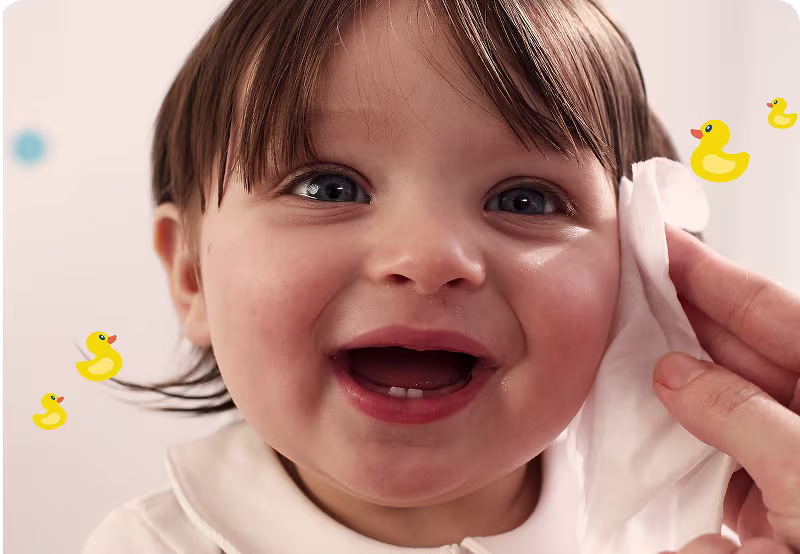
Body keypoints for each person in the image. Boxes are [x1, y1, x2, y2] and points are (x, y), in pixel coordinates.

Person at [82, 0, 800, 552]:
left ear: (641, 279)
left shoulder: (707, 524)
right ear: (191, 276)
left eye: (525, 200)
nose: (428, 258)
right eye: (328, 188)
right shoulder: (151, 545)